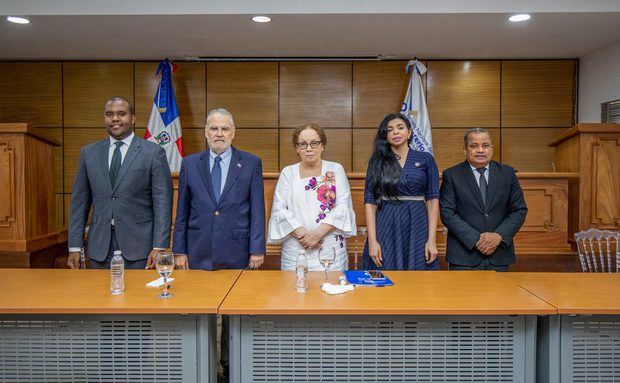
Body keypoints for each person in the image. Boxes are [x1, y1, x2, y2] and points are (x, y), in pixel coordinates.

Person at [172, 108, 265, 382]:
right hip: (197, 248)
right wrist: (179, 250)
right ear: (205, 132)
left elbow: (257, 209)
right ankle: (200, 365)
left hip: (236, 250)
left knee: (233, 315)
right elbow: (183, 211)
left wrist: (256, 249)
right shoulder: (190, 164)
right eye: (214, 128)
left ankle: (229, 365)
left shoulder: (250, 163)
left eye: (224, 129)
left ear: (233, 132)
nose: (219, 134)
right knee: (199, 312)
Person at [67, 96, 173, 269]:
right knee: (97, 295)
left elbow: (163, 203)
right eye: (109, 114)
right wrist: (74, 247)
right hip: (99, 249)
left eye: (121, 114)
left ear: (132, 119)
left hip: (140, 249)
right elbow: (79, 203)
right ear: (105, 119)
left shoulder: (153, 153)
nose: (115, 118)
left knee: (138, 296)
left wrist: (159, 246)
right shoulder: (89, 153)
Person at [268, 124, 356, 271]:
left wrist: (317, 235)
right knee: (295, 291)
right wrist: (303, 236)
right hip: (296, 249)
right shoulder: (288, 173)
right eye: (303, 144)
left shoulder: (335, 170)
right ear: (297, 148)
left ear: (323, 146)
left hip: (329, 249)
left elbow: (342, 207)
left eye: (314, 143)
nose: (309, 148)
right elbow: (279, 210)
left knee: (332, 291)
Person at [440, 128, 527, 271]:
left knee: (499, 294)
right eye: (474, 146)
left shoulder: (507, 173)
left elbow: (519, 210)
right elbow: (447, 213)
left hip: (499, 254)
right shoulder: (451, 175)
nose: (480, 150)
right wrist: (477, 240)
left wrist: (498, 236)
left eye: (485, 145)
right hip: (464, 256)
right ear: (465, 149)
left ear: (491, 149)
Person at [362, 113, 440, 270]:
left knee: (419, 274)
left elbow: (432, 200)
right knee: (384, 272)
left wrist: (432, 240)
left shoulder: (425, 159)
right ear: (385, 135)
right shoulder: (377, 160)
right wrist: (372, 240)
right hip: (386, 223)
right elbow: (370, 201)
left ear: (410, 132)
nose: (395, 132)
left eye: (400, 128)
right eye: (390, 129)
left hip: (417, 223)